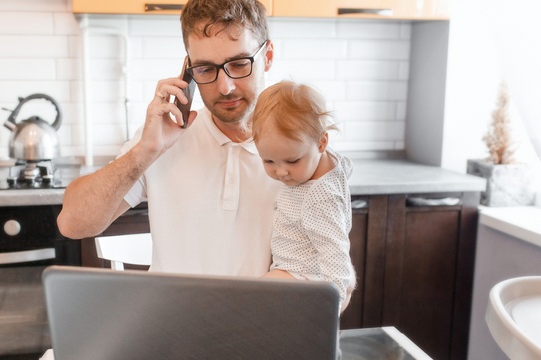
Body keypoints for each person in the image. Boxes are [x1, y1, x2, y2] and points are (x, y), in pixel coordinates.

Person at [56, 0, 282, 276]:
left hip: (259, 317)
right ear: (188, 69)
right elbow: (72, 224)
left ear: (267, 57)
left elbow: (331, 282)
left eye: (238, 64)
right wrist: (145, 152)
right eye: (205, 69)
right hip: (171, 318)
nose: (225, 87)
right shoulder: (164, 139)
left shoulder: (298, 150)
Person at [251, 80, 356, 311]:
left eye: (292, 160)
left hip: (302, 277)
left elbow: (336, 258)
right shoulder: (328, 165)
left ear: (321, 142)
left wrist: (331, 308)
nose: (281, 172)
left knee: (248, 300)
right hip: (301, 274)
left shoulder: (320, 197)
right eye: (268, 161)